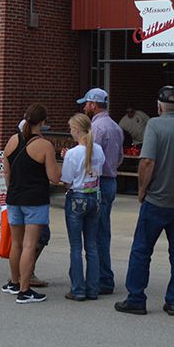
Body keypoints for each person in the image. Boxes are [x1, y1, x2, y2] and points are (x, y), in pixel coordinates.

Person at [115, 85, 174, 317]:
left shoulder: (154, 126)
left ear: (159, 106)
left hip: (157, 200)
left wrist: (141, 189)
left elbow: (147, 162)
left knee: (141, 249)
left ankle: (137, 298)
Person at [3, 104, 60, 303]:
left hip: (14, 197)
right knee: (29, 245)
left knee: (16, 244)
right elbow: (54, 177)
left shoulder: (12, 140)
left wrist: (12, 189)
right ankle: (25, 291)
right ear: (43, 122)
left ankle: (14, 282)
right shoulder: (44, 145)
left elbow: (6, 173)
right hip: (35, 200)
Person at [77, 88, 124, 296]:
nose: (85, 107)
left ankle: (103, 279)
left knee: (97, 233)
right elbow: (120, 156)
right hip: (111, 180)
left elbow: (90, 158)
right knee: (103, 229)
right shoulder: (115, 127)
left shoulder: (95, 128)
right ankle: (104, 276)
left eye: (86, 104)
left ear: (94, 105)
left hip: (98, 182)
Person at [59, 112, 106, 302]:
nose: (70, 132)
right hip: (94, 197)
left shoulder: (72, 154)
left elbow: (67, 181)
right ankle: (93, 288)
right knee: (92, 246)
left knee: (76, 247)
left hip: (76, 197)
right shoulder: (98, 150)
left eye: (71, 129)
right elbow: (99, 172)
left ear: (77, 130)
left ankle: (78, 288)